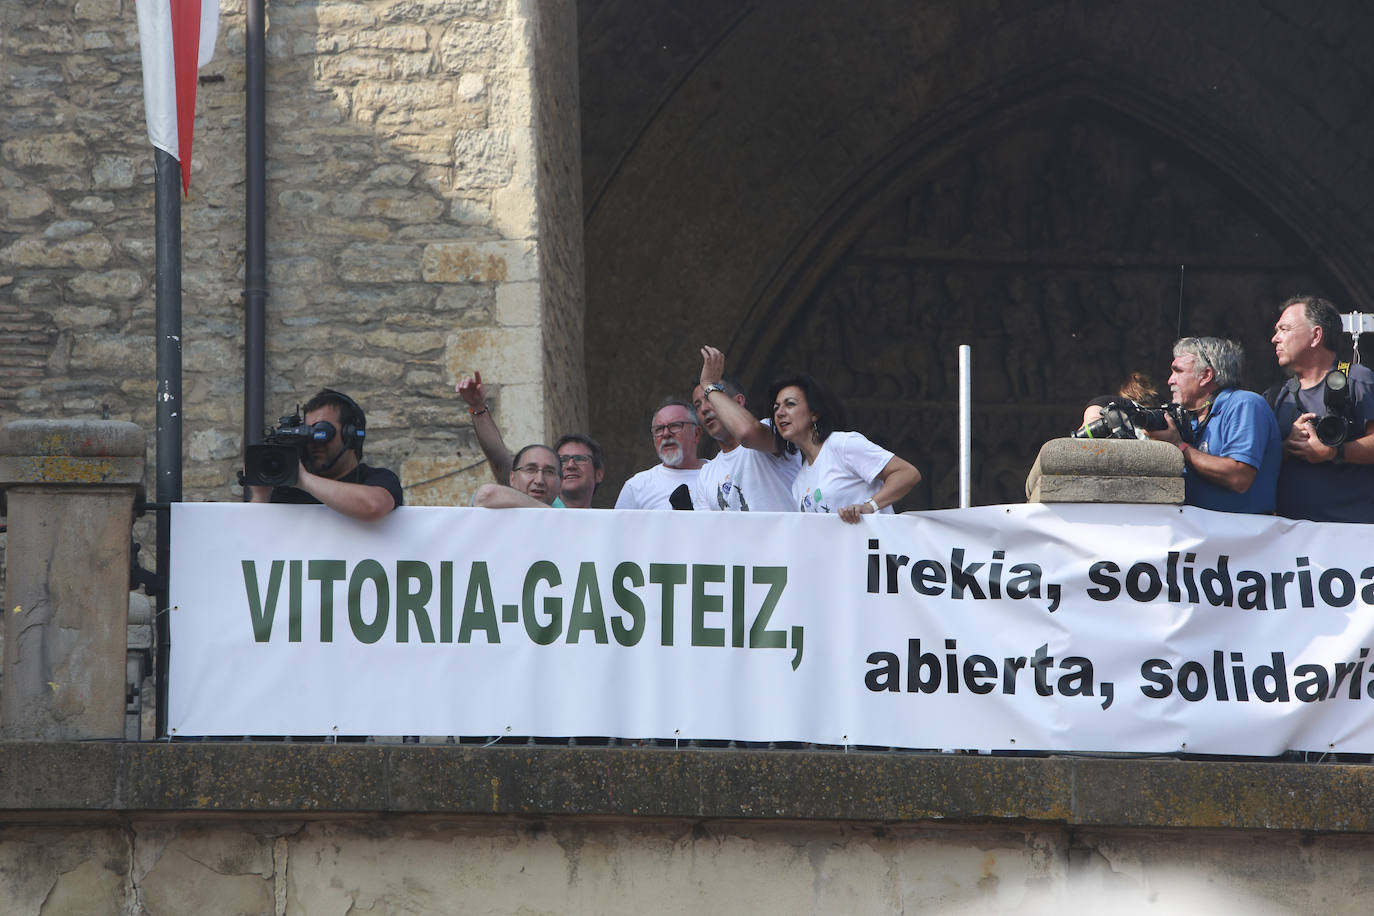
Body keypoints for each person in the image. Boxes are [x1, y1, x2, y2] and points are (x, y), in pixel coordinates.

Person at [1267, 295, 1374, 522]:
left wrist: (1334, 452)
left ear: (1316, 336)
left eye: (1284, 329)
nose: (1275, 339)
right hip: (1290, 536)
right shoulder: (1277, 395)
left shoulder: (1356, 380)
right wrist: (1288, 446)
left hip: (1351, 533)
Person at [1143, 337, 1280, 514]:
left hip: (1240, 534)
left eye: (1178, 371)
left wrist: (1179, 447)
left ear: (1206, 375)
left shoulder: (1245, 404)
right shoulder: (1190, 418)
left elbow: (1239, 476)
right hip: (1197, 531)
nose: (1170, 380)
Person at [767, 374, 921, 522]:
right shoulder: (799, 483)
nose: (780, 413)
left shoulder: (842, 445)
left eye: (790, 404)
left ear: (814, 413)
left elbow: (907, 473)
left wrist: (869, 506)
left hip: (871, 546)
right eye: (776, 408)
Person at [456, 370, 605, 508]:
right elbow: (494, 476)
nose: (570, 465)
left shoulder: (606, 524)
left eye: (579, 458)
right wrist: (477, 407)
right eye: (563, 459)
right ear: (512, 479)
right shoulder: (533, 500)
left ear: (599, 473)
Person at [250, 388, 403, 521]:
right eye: (307, 432)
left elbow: (373, 506)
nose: (313, 441)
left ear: (349, 434)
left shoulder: (378, 479)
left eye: (322, 431)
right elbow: (251, 540)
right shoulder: (289, 491)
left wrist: (302, 479)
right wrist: (261, 495)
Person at [691, 346, 800, 511]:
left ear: (738, 402)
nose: (704, 409)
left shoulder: (773, 429)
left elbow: (747, 433)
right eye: (697, 405)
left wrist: (708, 385)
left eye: (710, 397)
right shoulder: (706, 475)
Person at [614, 399, 707, 509]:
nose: (666, 434)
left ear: (696, 433)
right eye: (659, 429)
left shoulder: (717, 475)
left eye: (675, 426)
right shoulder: (637, 486)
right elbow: (619, 526)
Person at [471, 443, 563, 509]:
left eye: (549, 472)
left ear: (560, 484)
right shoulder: (498, 504)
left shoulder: (565, 518)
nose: (539, 480)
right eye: (530, 470)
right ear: (512, 478)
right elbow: (486, 494)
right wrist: (545, 510)